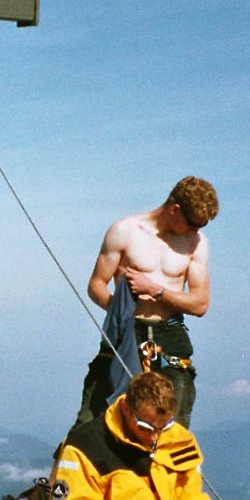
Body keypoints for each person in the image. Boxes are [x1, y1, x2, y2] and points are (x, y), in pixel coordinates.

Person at [72, 176, 219, 430]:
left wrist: (156, 290)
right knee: (91, 425)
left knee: (172, 432)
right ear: (175, 210)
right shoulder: (125, 231)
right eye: (193, 224)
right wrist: (119, 312)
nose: (197, 231)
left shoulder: (197, 244)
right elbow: (96, 285)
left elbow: (200, 304)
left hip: (169, 336)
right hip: (126, 332)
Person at [49, 371, 219, 500]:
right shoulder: (85, 446)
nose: (155, 437)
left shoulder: (180, 440)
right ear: (125, 409)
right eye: (145, 427)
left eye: (164, 427)